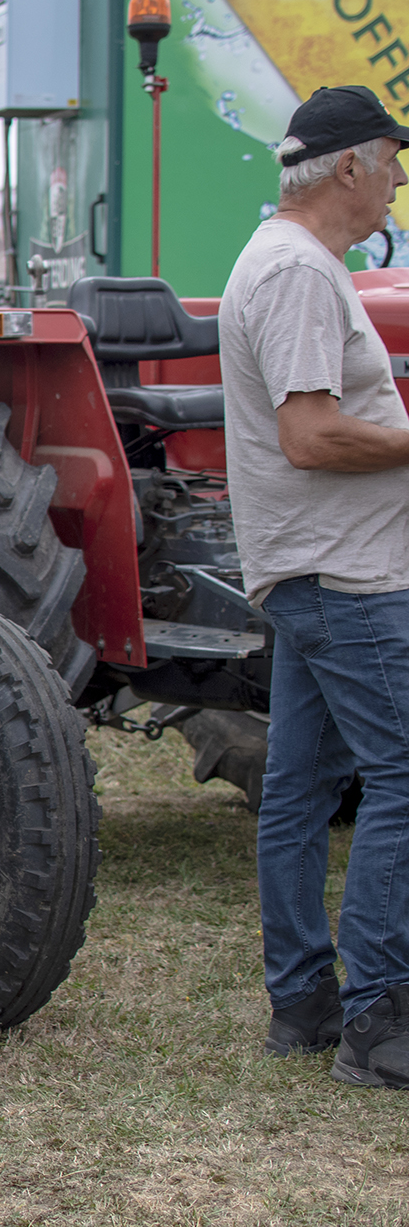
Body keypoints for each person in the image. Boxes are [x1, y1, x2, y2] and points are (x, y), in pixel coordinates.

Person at [219, 84, 409, 1088]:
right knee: (405, 775)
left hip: (311, 568)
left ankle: (303, 1003)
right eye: (392, 161)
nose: (396, 181)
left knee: (298, 790)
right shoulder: (299, 273)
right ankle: (379, 1019)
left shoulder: (286, 261)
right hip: (350, 571)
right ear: (349, 165)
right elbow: (310, 434)